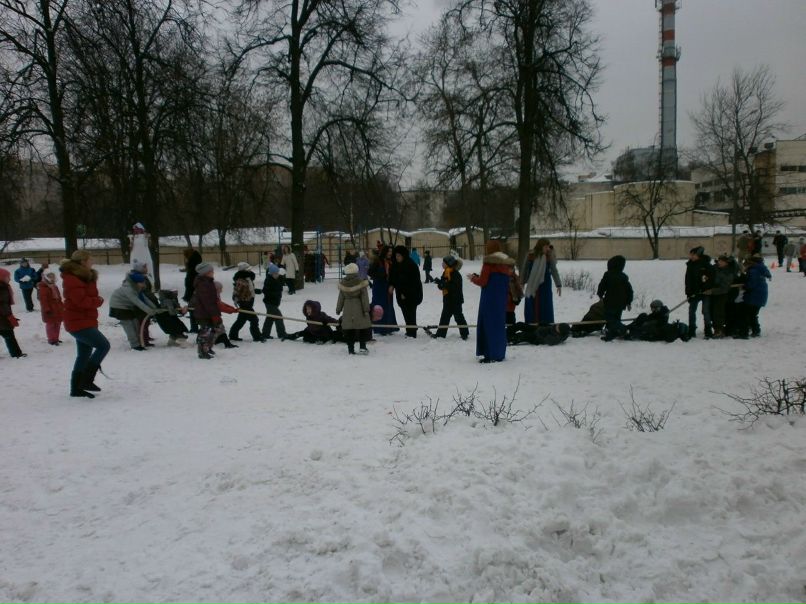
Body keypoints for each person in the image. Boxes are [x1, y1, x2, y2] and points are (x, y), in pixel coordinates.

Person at [61, 251, 110, 397]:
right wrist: (98, 301)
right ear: (82, 261)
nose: (92, 261)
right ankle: (86, 380)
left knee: (83, 354)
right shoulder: (72, 279)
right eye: (90, 259)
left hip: (84, 320)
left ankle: (76, 388)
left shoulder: (85, 276)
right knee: (103, 345)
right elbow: (81, 302)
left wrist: (95, 299)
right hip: (78, 322)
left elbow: (88, 296)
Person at [470, 241, 515, 363]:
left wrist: (473, 278)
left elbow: (483, 281)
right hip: (501, 299)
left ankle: (489, 354)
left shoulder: (489, 263)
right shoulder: (506, 264)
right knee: (499, 325)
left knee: (487, 324)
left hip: (489, 298)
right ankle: (499, 353)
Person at [109, 271, 160, 350]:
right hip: (118, 308)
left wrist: (155, 308)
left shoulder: (136, 288)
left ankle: (139, 342)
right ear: (136, 282)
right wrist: (149, 311)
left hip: (128, 307)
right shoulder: (128, 289)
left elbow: (145, 299)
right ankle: (135, 345)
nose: (144, 284)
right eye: (142, 282)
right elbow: (137, 302)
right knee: (129, 325)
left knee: (136, 323)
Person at [522, 238, 561, 325]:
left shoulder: (549, 256)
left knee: (545, 306)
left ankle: (546, 325)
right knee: (532, 305)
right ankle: (531, 325)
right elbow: (525, 269)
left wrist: (558, 284)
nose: (547, 248)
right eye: (546, 246)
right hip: (532, 284)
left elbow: (554, 270)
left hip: (545, 284)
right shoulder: (530, 255)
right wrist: (522, 282)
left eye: (548, 246)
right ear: (541, 246)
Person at [388, 245, 423, 338]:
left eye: (399, 256)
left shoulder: (411, 265)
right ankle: (410, 329)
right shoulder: (395, 265)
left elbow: (414, 282)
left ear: (403, 255)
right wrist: (391, 285)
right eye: (396, 255)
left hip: (412, 293)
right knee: (405, 312)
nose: (397, 257)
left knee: (410, 312)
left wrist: (406, 293)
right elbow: (393, 277)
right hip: (401, 293)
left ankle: (412, 332)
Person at [336, 262, 371, 354]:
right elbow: (364, 297)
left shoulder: (343, 283)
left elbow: (341, 298)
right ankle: (362, 347)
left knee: (349, 329)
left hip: (347, 308)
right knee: (362, 327)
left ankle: (350, 349)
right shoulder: (360, 282)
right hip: (358, 307)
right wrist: (366, 309)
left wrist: (338, 309)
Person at [597, 255, 633, 341]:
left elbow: (602, 286)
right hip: (621, 303)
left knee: (610, 318)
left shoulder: (608, 274)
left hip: (610, 302)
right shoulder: (624, 277)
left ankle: (624, 329)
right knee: (616, 318)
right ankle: (611, 334)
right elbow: (629, 290)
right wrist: (628, 302)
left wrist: (600, 295)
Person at [734, 255, 772, 339]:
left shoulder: (753, 271)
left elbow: (751, 284)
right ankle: (756, 331)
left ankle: (743, 333)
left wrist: (744, 286)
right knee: (752, 314)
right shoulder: (761, 269)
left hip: (753, 296)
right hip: (760, 296)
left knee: (745, 314)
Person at [432, 254, 469, 340]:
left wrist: (443, 284)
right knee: (444, 317)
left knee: (458, 317)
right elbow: (443, 285)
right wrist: (439, 283)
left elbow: (453, 287)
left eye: (444, 263)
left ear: (448, 263)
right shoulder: (445, 272)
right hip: (447, 300)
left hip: (456, 300)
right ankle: (440, 334)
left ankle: (464, 333)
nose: (442, 264)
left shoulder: (455, 274)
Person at [189, 262, 221, 359]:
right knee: (205, 333)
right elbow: (207, 301)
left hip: (207, 312)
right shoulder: (204, 284)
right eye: (211, 271)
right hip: (203, 312)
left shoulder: (208, 282)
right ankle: (202, 351)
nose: (213, 272)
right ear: (206, 272)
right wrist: (214, 314)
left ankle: (207, 348)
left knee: (211, 331)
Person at [229, 262, 263, 343]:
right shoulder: (240, 280)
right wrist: (237, 300)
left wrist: (257, 291)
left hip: (249, 302)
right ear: (244, 270)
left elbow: (249, 290)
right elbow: (236, 293)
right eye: (248, 269)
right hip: (245, 303)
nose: (250, 270)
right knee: (254, 320)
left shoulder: (248, 278)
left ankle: (233, 335)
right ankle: (257, 336)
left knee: (241, 320)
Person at [684, 246, 714, 338]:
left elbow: (710, 278)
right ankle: (692, 329)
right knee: (691, 310)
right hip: (693, 293)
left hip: (705, 292)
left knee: (705, 311)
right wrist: (688, 292)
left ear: (698, 255)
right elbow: (688, 280)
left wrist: (705, 288)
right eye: (691, 254)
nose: (691, 256)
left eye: (693, 255)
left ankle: (708, 330)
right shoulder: (690, 265)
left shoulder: (706, 265)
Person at [369, 247, 399, 335]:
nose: (390, 253)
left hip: (388, 287)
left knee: (388, 305)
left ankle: (389, 327)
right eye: (389, 251)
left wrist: (392, 285)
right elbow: (370, 272)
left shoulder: (391, 262)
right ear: (385, 252)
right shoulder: (378, 261)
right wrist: (380, 275)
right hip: (379, 287)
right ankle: (379, 328)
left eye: (391, 251)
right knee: (378, 305)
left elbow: (394, 275)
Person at [709, 254, 738, 338]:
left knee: (718, 312)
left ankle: (719, 330)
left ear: (726, 263)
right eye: (719, 260)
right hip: (714, 294)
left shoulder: (729, 272)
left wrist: (712, 291)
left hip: (722, 294)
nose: (719, 262)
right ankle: (717, 329)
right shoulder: (715, 268)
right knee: (713, 312)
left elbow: (724, 287)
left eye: (722, 261)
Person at [0, 268, 25, 358]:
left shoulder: (4, 286)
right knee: (9, 336)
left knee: (9, 335)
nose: (9, 279)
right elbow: (2, 304)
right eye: (7, 277)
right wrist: (9, 316)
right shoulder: (2, 288)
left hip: (3, 317)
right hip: (3, 318)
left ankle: (16, 353)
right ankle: (16, 354)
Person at [261, 263, 287, 339]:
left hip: (274, 303)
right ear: (271, 274)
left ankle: (265, 333)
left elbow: (280, 287)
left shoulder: (276, 279)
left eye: (277, 273)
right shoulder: (269, 281)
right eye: (276, 274)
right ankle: (282, 334)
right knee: (279, 317)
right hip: (270, 303)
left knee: (270, 318)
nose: (277, 275)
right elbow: (266, 291)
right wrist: (275, 293)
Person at [38, 269, 64, 345]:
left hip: (57, 308)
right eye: (50, 276)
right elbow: (43, 300)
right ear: (45, 277)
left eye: (53, 276)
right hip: (49, 310)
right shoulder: (43, 288)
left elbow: (59, 298)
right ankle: (51, 339)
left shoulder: (54, 286)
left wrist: (62, 306)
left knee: (57, 324)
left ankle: (56, 338)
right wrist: (47, 309)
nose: (52, 278)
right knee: (51, 325)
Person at [183, 248, 203, 332]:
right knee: (196, 308)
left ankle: (194, 327)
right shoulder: (197, 263)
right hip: (195, 289)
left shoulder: (192, 265)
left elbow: (190, 280)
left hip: (193, 290)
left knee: (193, 309)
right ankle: (197, 326)